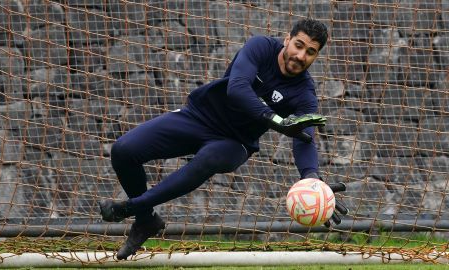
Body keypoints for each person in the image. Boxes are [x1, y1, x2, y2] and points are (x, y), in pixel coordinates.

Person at [99, 18, 347, 260]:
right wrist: (277, 121)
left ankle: (131, 207)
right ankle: (145, 220)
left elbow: (305, 138)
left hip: (234, 142)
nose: (301, 56)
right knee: (123, 150)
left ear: (316, 56)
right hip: (198, 117)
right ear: (287, 40)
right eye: (299, 45)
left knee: (209, 157)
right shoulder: (261, 47)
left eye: (311, 52)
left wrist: (312, 178)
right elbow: (237, 87)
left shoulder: (304, 92)